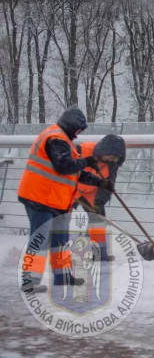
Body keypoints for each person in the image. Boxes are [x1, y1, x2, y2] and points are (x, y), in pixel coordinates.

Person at [17, 107, 104, 293]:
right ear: (72, 125)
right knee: (39, 239)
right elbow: (64, 166)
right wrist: (87, 162)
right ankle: (29, 281)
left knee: (61, 241)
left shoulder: (65, 142)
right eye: (79, 129)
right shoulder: (55, 138)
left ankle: (62, 276)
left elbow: (75, 172)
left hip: (56, 200)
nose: (79, 133)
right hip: (39, 197)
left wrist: (100, 182)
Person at [75, 134, 126, 262]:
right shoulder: (81, 151)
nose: (112, 160)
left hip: (90, 191)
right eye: (111, 156)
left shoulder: (112, 164)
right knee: (60, 219)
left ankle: (98, 253)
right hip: (71, 188)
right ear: (104, 150)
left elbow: (108, 185)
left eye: (115, 158)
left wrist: (99, 202)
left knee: (98, 220)